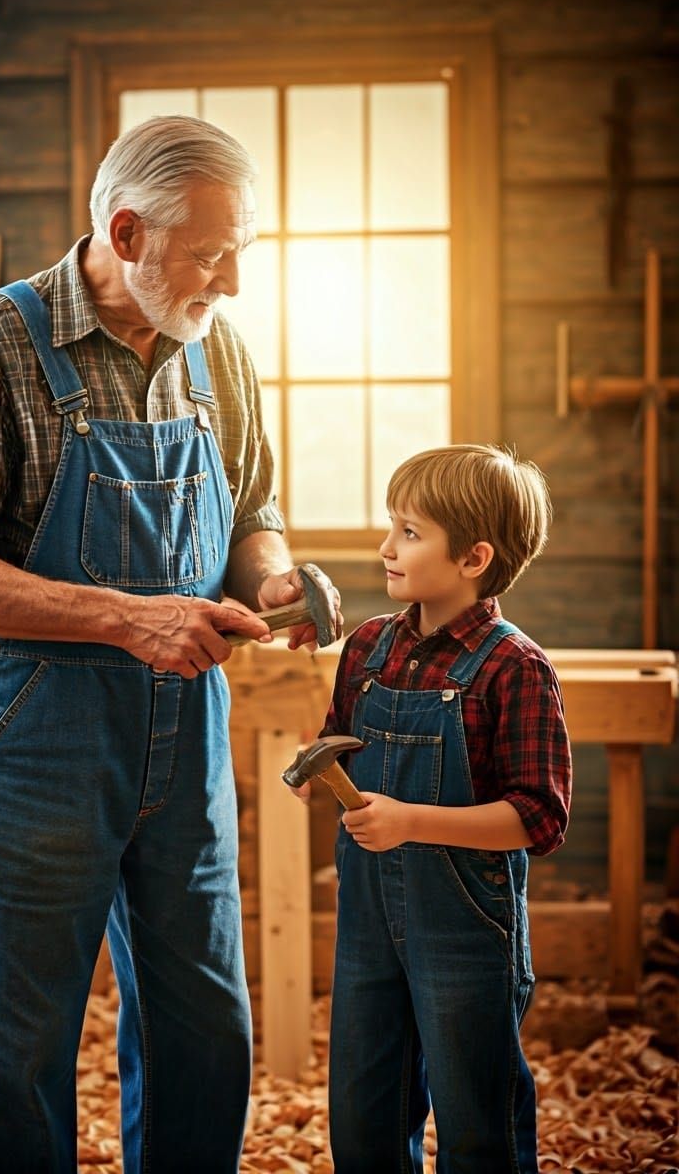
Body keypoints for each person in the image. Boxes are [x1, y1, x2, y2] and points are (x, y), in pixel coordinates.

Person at [0, 114, 342, 1174]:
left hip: (185, 738)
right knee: (20, 1045)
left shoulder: (216, 349)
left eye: (241, 253)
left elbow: (251, 510)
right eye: (210, 254)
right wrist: (130, 618)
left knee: (204, 1029)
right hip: (38, 740)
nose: (232, 284)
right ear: (126, 231)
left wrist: (271, 578)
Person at [291, 444, 571, 1174]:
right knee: (364, 1113)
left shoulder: (515, 667)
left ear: (474, 558)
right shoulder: (368, 647)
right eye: (392, 525)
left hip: (464, 928)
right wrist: (314, 771)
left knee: (477, 1121)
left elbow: (538, 818)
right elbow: (338, 737)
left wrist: (411, 822)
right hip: (367, 918)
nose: (386, 547)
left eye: (410, 532)